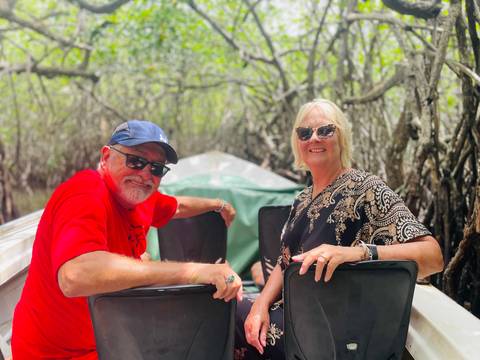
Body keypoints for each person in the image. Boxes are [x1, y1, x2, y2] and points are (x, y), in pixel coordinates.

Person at [11, 120, 242, 360]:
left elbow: (178, 206)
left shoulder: (141, 199)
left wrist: (218, 205)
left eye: (157, 168)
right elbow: (75, 276)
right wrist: (192, 271)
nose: (145, 174)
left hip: (111, 341)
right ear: (105, 156)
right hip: (53, 353)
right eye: (136, 161)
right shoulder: (85, 192)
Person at [234, 99, 444, 360]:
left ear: (342, 136)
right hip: (290, 317)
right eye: (304, 132)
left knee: (224, 313)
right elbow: (284, 262)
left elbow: (433, 257)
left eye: (325, 130)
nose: (314, 138)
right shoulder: (301, 199)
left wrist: (358, 253)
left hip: (331, 332)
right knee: (228, 307)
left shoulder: (366, 187)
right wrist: (261, 306)